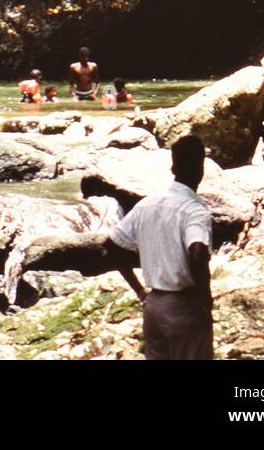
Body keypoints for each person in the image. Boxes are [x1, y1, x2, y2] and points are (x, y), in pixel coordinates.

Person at [104, 134, 214, 360]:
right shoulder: (194, 211)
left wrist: (139, 291)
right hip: (184, 305)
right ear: (201, 168)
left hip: (153, 306)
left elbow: (111, 245)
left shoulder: (147, 204)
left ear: (173, 167)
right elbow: (197, 252)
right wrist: (204, 299)